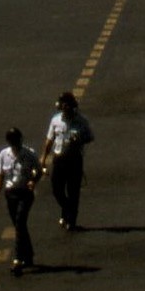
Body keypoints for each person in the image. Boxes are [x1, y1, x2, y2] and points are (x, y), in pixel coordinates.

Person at [43, 91, 94, 231]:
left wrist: (79, 139)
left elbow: (90, 137)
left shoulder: (81, 121)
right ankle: (67, 209)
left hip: (74, 160)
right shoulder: (55, 120)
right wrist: (43, 159)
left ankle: (71, 220)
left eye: (67, 105)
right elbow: (49, 140)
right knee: (56, 189)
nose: (64, 108)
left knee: (73, 191)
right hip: (59, 159)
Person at [0, 127, 40, 275]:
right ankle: (29, 253)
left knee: (19, 222)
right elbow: (0, 175)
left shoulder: (29, 154)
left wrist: (33, 181)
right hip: (10, 193)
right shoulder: (3, 155)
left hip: (25, 192)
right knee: (19, 225)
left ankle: (18, 258)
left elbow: (38, 170)